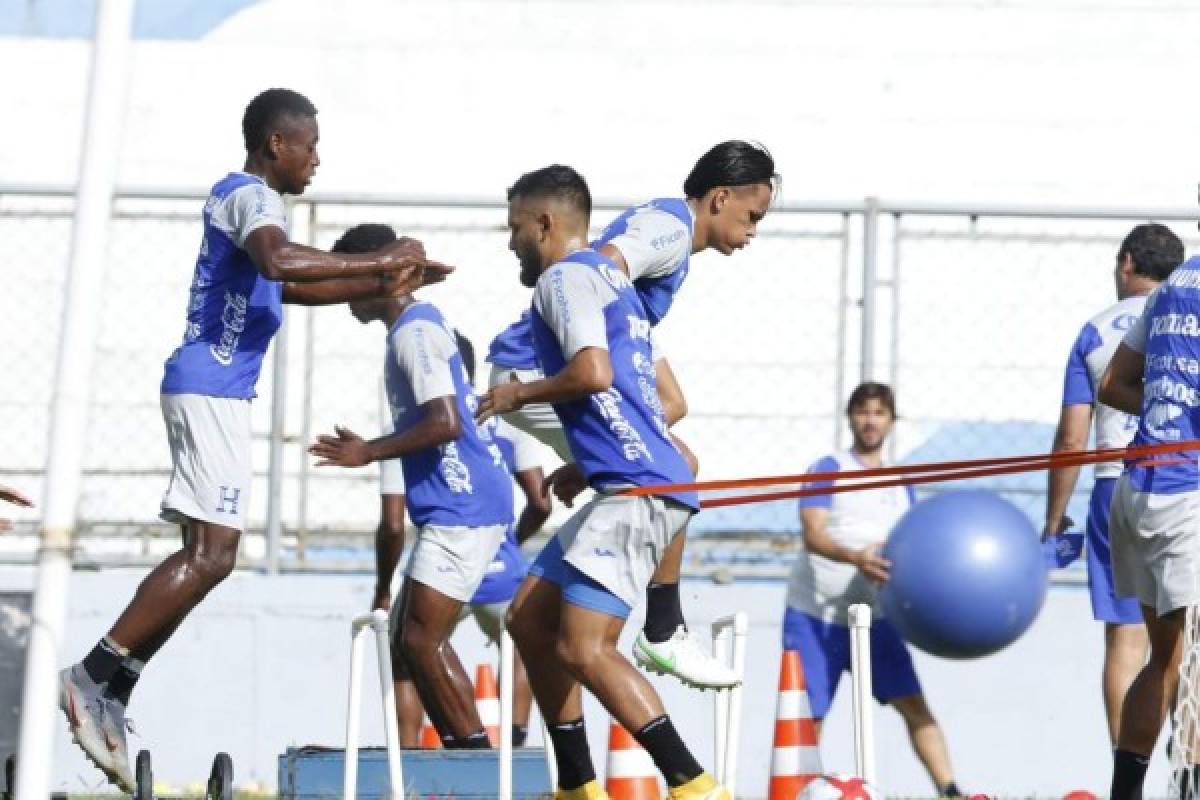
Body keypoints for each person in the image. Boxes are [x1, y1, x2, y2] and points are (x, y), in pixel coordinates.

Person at [57, 88, 447, 790]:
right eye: (311, 146)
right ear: (277, 145)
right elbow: (279, 265)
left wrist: (387, 273)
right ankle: (91, 677)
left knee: (212, 557)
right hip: (210, 386)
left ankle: (113, 686)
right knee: (212, 555)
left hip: (217, 389)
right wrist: (376, 261)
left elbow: (292, 287)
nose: (317, 159)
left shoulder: (258, 209)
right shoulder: (253, 200)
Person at [486, 141, 777, 689]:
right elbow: (605, 270)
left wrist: (599, 460)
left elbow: (646, 359)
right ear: (719, 199)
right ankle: (664, 626)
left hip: (588, 361)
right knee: (676, 463)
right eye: (753, 215)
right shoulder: (667, 229)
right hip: (534, 368)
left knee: (674, 411)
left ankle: (605, 493)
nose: (754, 229)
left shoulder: (671, 239)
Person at [478, 165, 728, 800]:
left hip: (638, 494)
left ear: (544, 224)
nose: (510, 244)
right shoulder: (618, 289)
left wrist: (517, 393)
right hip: (629, 486)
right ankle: (577, 787)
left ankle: (695, 785)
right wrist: (586, 462)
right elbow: (654, 398)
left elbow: (591, 372)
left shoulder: (565, 278)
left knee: (586, 648)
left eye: (514, 229)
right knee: (529, 620)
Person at [333, 223, 548, 748]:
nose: (341, 294)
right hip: (457, 506)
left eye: (348, 280)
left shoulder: (414, 332)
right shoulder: (410, 326)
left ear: (378, 277)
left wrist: (370, 451)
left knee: (420, 639)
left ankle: (473, 755)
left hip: (463, 505)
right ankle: (465, 750)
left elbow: (447, 421)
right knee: (410, 642)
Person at [784, 382, 961, 797]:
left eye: (879, 413)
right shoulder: (829, 468)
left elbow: (916, 545)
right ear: (850, 418)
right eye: (863, 412)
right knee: (809, 715)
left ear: (891, 421)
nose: (870, 421)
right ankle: (795, 792)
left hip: (877, 618)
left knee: (914, 705)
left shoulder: (902, 481)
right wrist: (856, 558)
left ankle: (951, 790)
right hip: (818, 614)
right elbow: (813, 534)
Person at [1044, 224, 1183, 747]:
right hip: (1183, 478)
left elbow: (1070, 438)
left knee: (1126, 639)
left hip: (1115, 485)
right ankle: (1188, 759)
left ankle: (1128, 774)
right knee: (1184, 637)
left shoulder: (1096, 330)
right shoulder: (1184, 314)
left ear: (1127, 263)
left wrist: (1054, 521)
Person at [1099, 241, 1200, 798]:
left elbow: (1112, 385)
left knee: (1166, 661)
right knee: (1192, 666)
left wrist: (1172, 410)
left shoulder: (1168, 290)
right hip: (1186, 496)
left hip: (1137, 486)